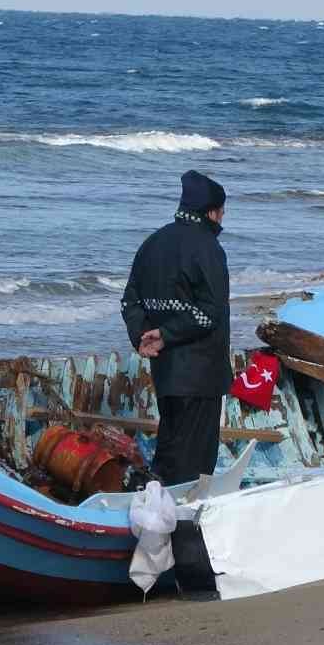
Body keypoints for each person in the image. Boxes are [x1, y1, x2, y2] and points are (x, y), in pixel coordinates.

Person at [120, 170, 232, 485]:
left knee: (170, 449)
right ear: (211, 212)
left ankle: (156, 500)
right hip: (201, 376)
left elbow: (130, 302)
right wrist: (166, 335)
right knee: (194, 462)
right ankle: (180, 510)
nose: (223, 219)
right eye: (222, 212)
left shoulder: (152, 244)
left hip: (166, 371)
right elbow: (210, 313)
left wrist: (142, 335)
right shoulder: (208, 248)